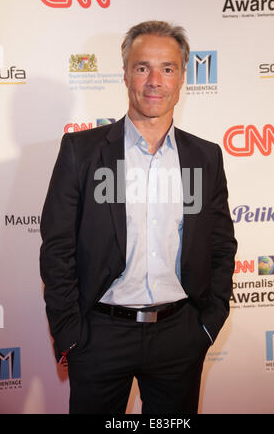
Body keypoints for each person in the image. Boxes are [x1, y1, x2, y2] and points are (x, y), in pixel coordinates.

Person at [40, 20, 237, 414]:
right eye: (142, 67)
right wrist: (70, 332)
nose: (154, 81)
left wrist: (207, 322)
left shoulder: (204, 157)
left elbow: (220, 243)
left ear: (183, 77)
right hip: (99, 335)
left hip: (180, 335)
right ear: (126, 74)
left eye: (167, 68)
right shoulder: (82, 151)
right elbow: (58, 246)